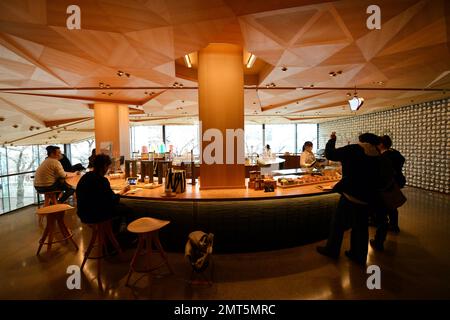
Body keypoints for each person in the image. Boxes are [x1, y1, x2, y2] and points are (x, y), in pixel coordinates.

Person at [316, 132, 392, 265]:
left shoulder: (354, 149)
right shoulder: (377, 154)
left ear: (361, 140)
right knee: (361, 227)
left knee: (338, 223)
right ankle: (358, 255)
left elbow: (330, 154)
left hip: (350, 194)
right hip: (368, 197)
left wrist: (332, 140)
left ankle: (332, 250)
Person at [76, 154, 135, 234]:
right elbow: (112, 200)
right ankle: (127, 236)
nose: (108, 169)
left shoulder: (85, 177)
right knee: (129, 210)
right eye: (108, 166)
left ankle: (111, 234)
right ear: (104, 166)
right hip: (96, 214)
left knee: (121, 207)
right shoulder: (102, 180)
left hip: (83, 213)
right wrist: (123, 191)